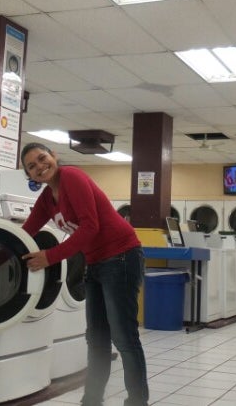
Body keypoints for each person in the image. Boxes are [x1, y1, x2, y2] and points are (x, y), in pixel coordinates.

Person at [20, 142, 149, 406]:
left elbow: (90, 227)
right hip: (96, 263)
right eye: (32, 166)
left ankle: (137, 402)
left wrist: (49, 257)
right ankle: (91, 401)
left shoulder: (72, 177)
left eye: (42, 159)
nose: (39, 167)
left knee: (124, 337)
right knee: (96, 339)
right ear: (30, 176)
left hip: (122, 256)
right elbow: (25, 233)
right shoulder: (46, 199)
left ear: (54, 157)